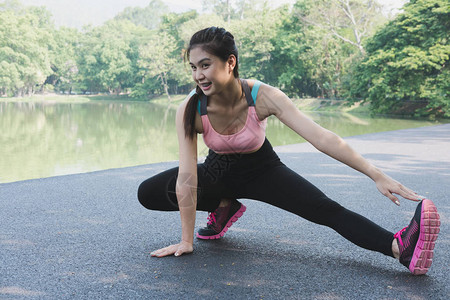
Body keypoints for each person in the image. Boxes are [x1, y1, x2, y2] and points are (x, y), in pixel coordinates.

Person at [137, 27, 441, 275]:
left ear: (230, 63)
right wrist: (186, 240)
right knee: (149, 192)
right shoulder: (190, 109)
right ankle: (223, 204)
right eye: (193, 67)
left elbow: (322, 138)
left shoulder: (264, 96)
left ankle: (400, 247)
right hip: (218, 171)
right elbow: (188, 176)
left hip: (262, 169)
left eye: (205, 65)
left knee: (325, 209)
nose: (198, 75)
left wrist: (375, 174)